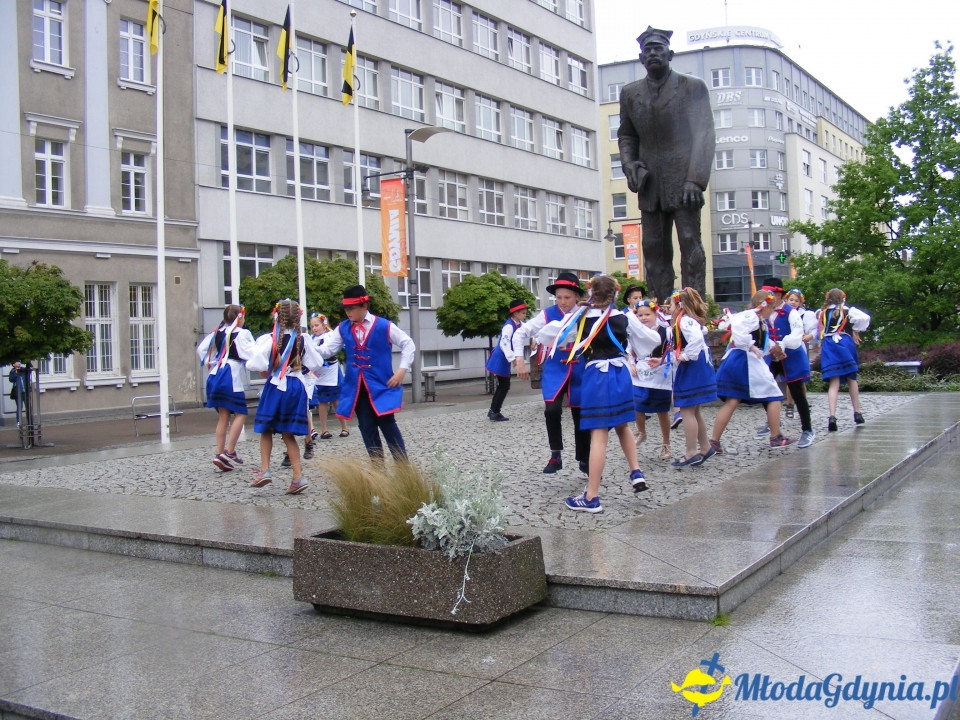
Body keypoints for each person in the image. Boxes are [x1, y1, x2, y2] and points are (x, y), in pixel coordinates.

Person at [537, 276, 659, 513]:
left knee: (599, 436)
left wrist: (570, 339)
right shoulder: (624, 317)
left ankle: (591, 496)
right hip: (621, 373)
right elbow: (650, 339)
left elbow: (547, 335)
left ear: (590, 293)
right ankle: (635, 471)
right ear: (615, 294)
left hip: (596, 376)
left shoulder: (581, 316)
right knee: (622, 424)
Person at [617, 26, 715, 304]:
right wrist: (629, 164)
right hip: (649, 183)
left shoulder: (691, 87)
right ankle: (658, 310)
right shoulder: (630, 93)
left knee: (689, 242)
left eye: (658, 49)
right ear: (640, 58)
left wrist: (695, 180)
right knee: (653, 248)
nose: (653, 54)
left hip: (684, 180)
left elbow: (704, 134)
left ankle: (694, 307)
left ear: (670, 54)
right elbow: (626, 134)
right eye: (647, 50)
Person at [316, 284, 414, 460]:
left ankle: (403, 468)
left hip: (381, 386)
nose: (348, 312)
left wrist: (401, 370)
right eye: (346, 308)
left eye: (351, 308)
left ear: (364, 306)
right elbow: (327, 350)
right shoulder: (343, 328)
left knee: (387, 425)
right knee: (367, 427)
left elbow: (408, 344)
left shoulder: (384, 326)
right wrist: (305, 349)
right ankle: (378, 470)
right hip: (357, 389)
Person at [246, 299, 326, 494]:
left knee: (267, 429)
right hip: (296, 386)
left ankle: (265, 470)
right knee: (288, 433)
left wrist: (270, 368)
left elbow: (254, 364)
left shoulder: (270, 339)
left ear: (277, 316)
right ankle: (298, 477)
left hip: (276, 385)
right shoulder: (303, 338)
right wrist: (299, 368)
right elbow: (317, 362)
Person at [514, 272, 591, 474]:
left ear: (576, 296)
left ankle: (584, 458)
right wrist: (519, 358)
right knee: (552, 410)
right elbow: (522, 331)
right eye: (559, 297)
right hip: (555, 368)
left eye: (567, 297)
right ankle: (555, 454)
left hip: (579, 368)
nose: (562, 302)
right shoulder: (548, 313)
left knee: (579, 415)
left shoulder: (586, 313)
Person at [709, 291, 797, 455]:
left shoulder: (758, 319)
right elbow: (739, 331)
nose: (773, 310)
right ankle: (776, 436)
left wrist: (776, 350)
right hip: (746, 362)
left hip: (739, 361)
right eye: (771, 306)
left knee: (733, 399)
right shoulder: (751, 317)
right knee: (774, 395)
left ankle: (714, 441)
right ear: (765, 306)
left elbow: (764, 340)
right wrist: (751, 346)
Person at [196, 305, 256, 472]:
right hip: (231, 375)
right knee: (241, 413)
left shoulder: (218, 330)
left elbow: (202, 349)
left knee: (223, 416)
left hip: (216, 374)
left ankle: (219, 453)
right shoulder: (241, 333)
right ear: (239, 317)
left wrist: (211, 363)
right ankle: (229, 451)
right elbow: (250, 353)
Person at [669, 287, 718, 467]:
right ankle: (705, 447)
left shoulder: (685, 321)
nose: (669, 308)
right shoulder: (686, 320)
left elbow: (696, 339)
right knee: (694, 411)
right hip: (696, 366)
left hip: (693, 367)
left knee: (687, 410)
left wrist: (685, 355)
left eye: (671, 304)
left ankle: (691, 452)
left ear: (679, 304)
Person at [764, 282, 815, 449]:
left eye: (770, 294)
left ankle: (807, 430)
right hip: (772, 356)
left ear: (778, 295)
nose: (767, 298)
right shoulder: (764, 311)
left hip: (791, 356)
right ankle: (774, 426)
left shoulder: (790, 312)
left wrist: (782, 345)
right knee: (765, 390)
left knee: (797, 393)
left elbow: (797, 334)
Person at [817, 288, 871, 432]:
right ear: (843, 298)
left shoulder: (822, 312)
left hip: (829, 344)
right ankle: (857, 413)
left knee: (834, 383)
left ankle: (832, 416)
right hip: (845, 342)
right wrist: (856, 331)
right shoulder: (847, 310)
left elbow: (817, 330)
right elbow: (864, 318)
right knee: (851, 379)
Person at [630, 299, 674, 461]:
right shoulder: (634, 331)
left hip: (660, 374)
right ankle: (641, 431)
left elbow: (672, 351)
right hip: (640, 373)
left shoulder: (666, 331)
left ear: (656, 314)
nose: (644, 318)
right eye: (640, 315)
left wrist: (663, 361)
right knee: (637, 405)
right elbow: (627, 349)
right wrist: (631, 364)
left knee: (661, 410)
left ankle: (666, 443)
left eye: (647, 314)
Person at [485, 299, 528, 422]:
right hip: (501, 358)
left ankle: (494, 410)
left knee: (504, 385)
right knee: (504, 385)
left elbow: (530, 330)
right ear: (515, 313)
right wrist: (512, 358)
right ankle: (494, 411)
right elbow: (504, 343)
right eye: (523, 313)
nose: (524, 315)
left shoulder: (519, 324)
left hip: (505, 358)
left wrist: (536, 339)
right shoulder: (509, 326)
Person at [309, 313, 349, 440]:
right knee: (322, 400)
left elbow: (332, 350)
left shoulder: (331, 336)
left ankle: (344, 427)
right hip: (320, 372)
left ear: (324, 325)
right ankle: (324, 429)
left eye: (317, 325)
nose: (314, 328)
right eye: (312, 326)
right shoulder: (311, 339)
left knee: (336, 399)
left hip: (332, 369)